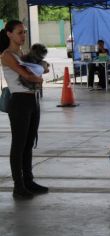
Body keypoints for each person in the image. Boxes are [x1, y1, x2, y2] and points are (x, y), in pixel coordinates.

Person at [0, 20, 48, 199]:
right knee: (19, 145)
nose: (23, 36)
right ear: (9, 34)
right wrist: (39, 75)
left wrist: (40, 71)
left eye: (24, 32)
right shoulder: (7, 55)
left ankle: (28, 180)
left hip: (31, 100)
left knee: (29, 144)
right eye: (20, 32)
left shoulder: (21, 53)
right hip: (19, 101)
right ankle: (18, 186)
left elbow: (38, 70)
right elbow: (28, 75)